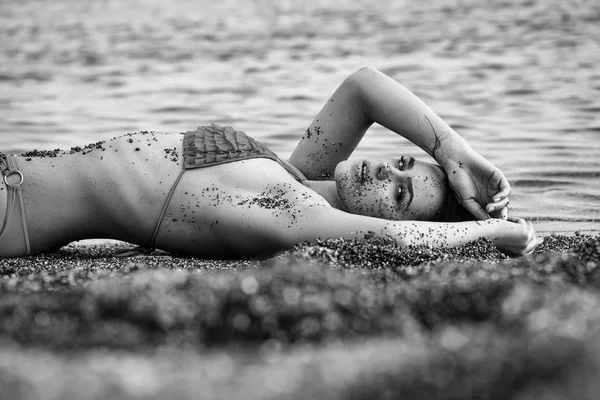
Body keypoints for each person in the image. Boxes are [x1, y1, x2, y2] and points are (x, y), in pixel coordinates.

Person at [0, 67, 539, 259]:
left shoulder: (294, 210)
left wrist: (488, 232)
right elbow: (363, 87)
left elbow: (395, 242)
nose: (387, 173)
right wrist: (455, 152)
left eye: (400, 195)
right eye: (402, 163)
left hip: (14, 214)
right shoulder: (297, 173)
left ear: (394, 218)